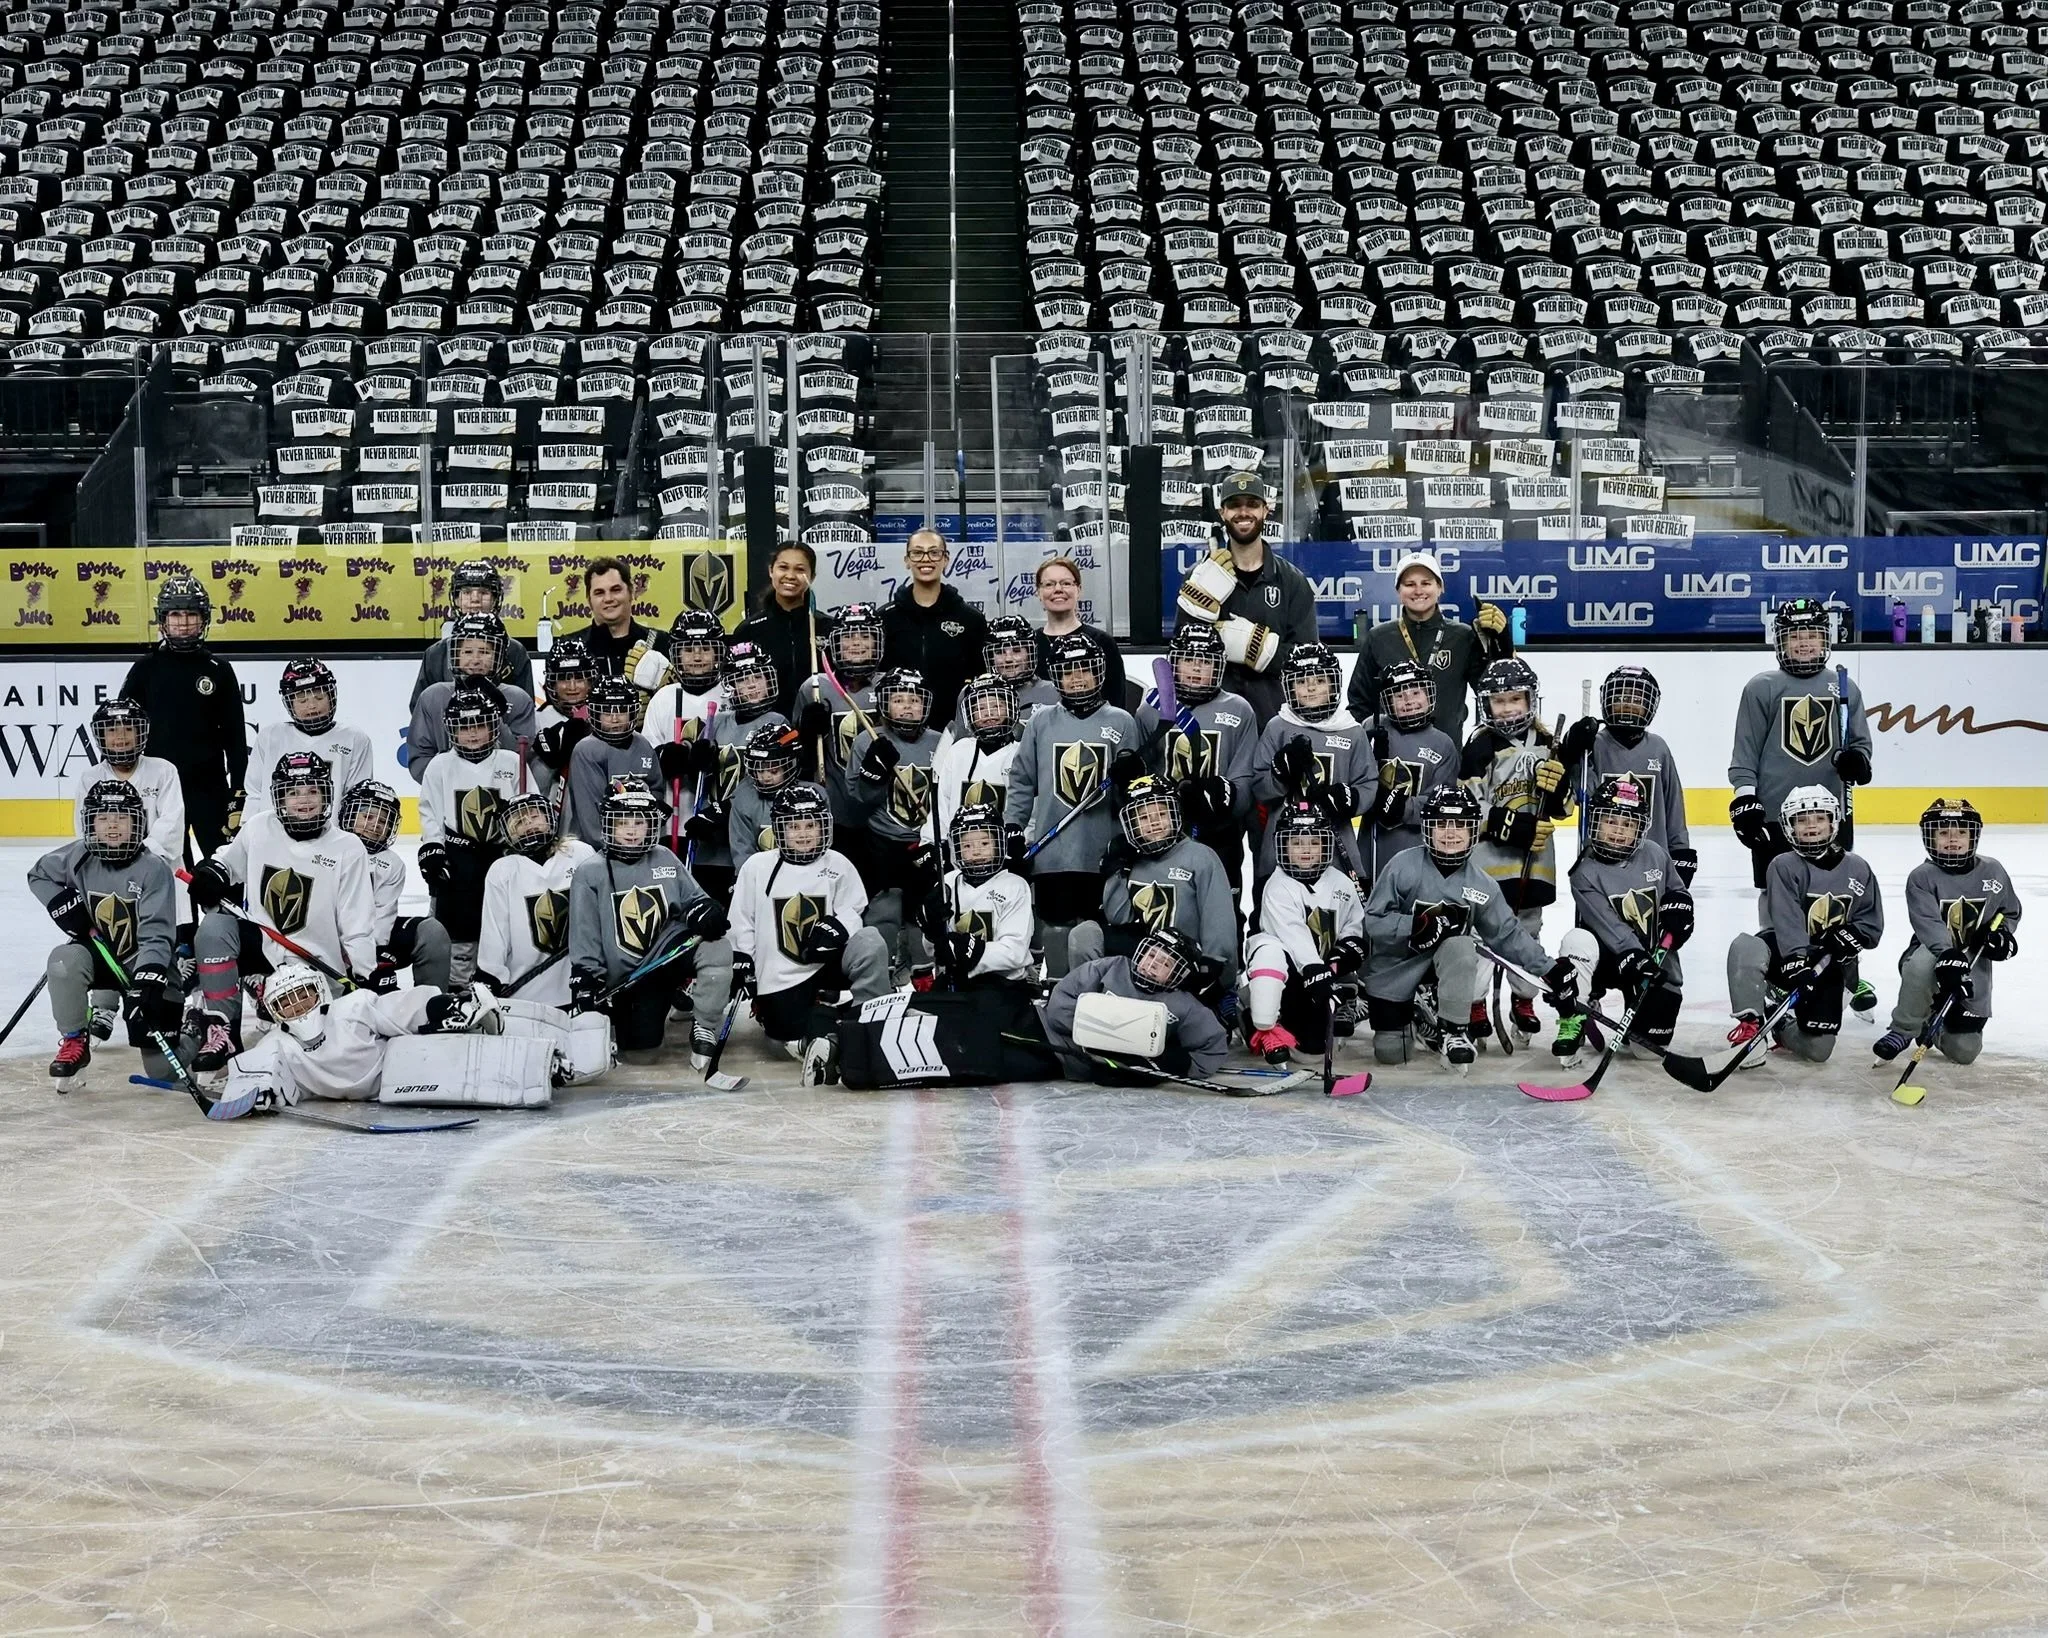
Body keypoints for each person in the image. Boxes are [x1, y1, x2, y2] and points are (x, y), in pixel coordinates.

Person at [184, 750, 377, 1074]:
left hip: (318, 969)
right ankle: (223, 1030)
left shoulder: (347, 847)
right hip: (264, 948)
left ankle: (272, 1003)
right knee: (215, 928)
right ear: (279, 798)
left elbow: (357, 924)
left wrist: (363, 976)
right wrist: (212, 873)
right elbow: (227, 862)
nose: (304, 800)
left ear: (327, 794)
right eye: (294, 792)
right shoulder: (260, 827)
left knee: (323, 1055)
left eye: (313, 790)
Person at [1362, 786, 1577, 1071]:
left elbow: (1507, 934)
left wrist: (1548, 968)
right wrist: (1414, 926)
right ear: (1427, 827)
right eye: (1441, 824)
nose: (1450, 833)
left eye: (1460, 824)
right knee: (1392, 1053)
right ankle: (1417, 1011)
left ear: (1474, 829)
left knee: (1461, 944)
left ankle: (1453, 1030)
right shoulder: (1402, 867)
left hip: (1447, 972)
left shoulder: (1481, 884)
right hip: (1397, 969)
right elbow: (1374, 922)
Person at [1729, 598, 1875, 1010]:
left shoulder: (1843, 687)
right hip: (1776, 816)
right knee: (1775, 894)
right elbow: (1746, 753)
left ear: (1826, 638)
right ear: (1781, 641)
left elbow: (1861, 748)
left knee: (1837, 894)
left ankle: (1849, 976)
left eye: (1813, 634)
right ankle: (1780, 966)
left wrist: (1856, 762)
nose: (1805, 643)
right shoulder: (1763, 687)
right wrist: (1745, 799)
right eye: (1796, 635)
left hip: (1830, 816)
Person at [728, 784, 893, 1082]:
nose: (803, 833)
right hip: (780, 978)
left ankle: (872, 1024)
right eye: (793, 826)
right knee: (780, 1041)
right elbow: (741, 922)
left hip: (828, 964)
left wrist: (840, 927)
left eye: (811, 825)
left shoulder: (839, 864)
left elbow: (855, 910)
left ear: (823, 826)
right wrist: (744, 962)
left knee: (871, 942)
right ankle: (826, 1036)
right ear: (779, 829)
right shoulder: (757, 867)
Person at [207, 962, 521, 1116]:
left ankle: (459, 1008)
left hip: (399, 1075)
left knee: (421, 1029)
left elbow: (398, 1008)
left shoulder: (350, 1008)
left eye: (303, 995)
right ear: (274, 1012)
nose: (298, 1006)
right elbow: (238, 1075)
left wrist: (437, 1008)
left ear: (320, 991)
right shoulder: (276, 1043)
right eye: (286, 1002)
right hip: (390, 1094)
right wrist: (251, 1097)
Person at [567, 779, 734, 1067]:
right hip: (631, 977)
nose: (632, 830)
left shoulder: (664, 857)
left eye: (640, 822)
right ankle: (672, 997)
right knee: (641, 1055)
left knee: (717, 947)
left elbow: (695, 899)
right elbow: (586, 934)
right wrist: (587, 979)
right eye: (623, 823)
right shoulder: (590, 873)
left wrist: (707, 911)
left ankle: (705, 1023)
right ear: (608, 824)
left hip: (667, 953)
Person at [1008, 632, 1145, 979]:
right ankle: (1055, 993)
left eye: (1085, 669)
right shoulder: (1041, 722)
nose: (1077, 677)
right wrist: (1012, 825)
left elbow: (1136, 793)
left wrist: (1131, 777)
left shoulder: (1121, 722)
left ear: (1100, 672)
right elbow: (1023, 780)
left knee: (1096, 931)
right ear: (1056, 676)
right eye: (1069, 671)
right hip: (1052, 852)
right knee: (1054, 930)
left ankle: (1095, 997)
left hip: (1103, 852)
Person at [31, 780, 181, 1084]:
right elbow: (39, 874)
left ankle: (194, 1028)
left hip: (144, 967)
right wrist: (63, 905)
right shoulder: (80, 856)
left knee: (162, 1072)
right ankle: (74, 1039)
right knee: (64, 960)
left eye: (122, 818)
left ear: (138, 822)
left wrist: (149, 979)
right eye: (103, 818)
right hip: (99, 954)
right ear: (90, 823)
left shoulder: (154, 868)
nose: (112, 826)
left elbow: (156, 935)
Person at [1725, 785, 1883, 1066]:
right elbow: (1786, 918)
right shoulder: (1783, 865)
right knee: (1745, 946)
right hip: (1790, 956)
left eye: (1819, 818)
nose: (1811, 825)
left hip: (1833, 967)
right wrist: (1797, 958)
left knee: (1819, 1049)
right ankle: (1751, 1027)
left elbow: (1871, 924)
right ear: (1788, 826)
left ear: (1833, 822)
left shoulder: (1859, 868)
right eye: (1801, 819)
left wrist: (1850, 935)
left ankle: (1780, 1027)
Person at [1460, 657, 1574, 1047]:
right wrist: (1518, 827)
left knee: (1528, 932)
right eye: (1499, 701)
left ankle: (1523, 999)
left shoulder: (1547, 744)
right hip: (1488, 865)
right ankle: (1474, 1005)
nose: (1508, 708)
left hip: (1536, 865)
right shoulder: (1479, 746)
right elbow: (1471, 810)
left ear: (1531, 701)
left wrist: (1558, 787)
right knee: (1480, 933)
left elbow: (1564, 808)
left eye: (1515, 699)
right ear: (1485, 704)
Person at [1551, 774, 1692, 1065]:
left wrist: (1681, 911)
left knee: (1647, 1051)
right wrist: (1633, 956)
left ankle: (1637, 1015)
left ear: (1640, 827)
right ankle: (1579, 1009)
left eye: (1628, 824)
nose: (1618, 831)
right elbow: (1607, 924)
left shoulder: (1655, 854)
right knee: (1578, 941)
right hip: (1610, 957)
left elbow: (1677, 892)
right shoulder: (1584, 872)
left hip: (1653, 961)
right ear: (1596, 822)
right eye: (1611, 821)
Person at [1874, 798, 2022, 1066]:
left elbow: (2009, 912)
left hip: (1974, 962)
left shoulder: (1994, 871)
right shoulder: (1921, 877)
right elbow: (1928, 923)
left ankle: (1931, 1030)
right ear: (1929, 836)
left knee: (1965, 1052)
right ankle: (1903, 1030)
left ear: (1973, 836)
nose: (1953, 839)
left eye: (1961, 832)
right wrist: (1948, 956)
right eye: (1943, 832)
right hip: (1932, 955)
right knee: (1920, 966)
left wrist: (2000, 934)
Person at [118, 574, 246, 859]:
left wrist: (238, 792)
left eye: (191, 614)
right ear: (163, 620)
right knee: (170, 873)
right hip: (159, 790)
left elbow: (236, 739)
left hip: (209, 788)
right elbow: (122, 733)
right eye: (175, 614)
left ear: (204, 619)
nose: (184, 622)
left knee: (225, 869)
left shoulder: (219, 670)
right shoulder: (144, 670)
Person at [1171, 473, 1319, 721]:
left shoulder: (1293, 582)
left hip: (1273, 721)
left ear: (1265, 510)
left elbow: (1308, 660)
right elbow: (1179, 653)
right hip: (1212, 720)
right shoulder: (1197, 577)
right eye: (1234, 505)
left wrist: (1257, 649)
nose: (1243, 512)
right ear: (1222, 513)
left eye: (1251, 504)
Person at [1069, 774, 1237, 992]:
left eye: (1162, 813)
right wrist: (1115, 872)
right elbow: (1119, 918)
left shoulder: (1200, 856)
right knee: (1085, 934)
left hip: (1184, 960)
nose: (1155, 822)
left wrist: (1214, 966)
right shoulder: (1132, 860)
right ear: (1132, 824)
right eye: (1144, 818)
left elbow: (1218, 918)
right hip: (1144, 957)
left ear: (1175, 813)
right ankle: (1086, 1001)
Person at [659, 640, 785, 906]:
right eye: (742, 678)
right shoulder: (718, 724)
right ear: (730, 685)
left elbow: (778, 765)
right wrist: (694, 760)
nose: (751, 684)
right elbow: (704, 779)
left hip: (750, 836)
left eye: (758, 676)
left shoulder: (777, 723)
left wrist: (725, 810)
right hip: (710, 843)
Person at [1242, 801, 1368, 1065]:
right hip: (1286, 974)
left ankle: (1254, 1006)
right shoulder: (1276, 885)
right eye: (1297, 843)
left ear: (1326, 844)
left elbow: (1352, 928)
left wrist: (1345, 954)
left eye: (1313, 842)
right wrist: (1315, 970)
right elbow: (1293, 935)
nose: (1306, 850)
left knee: (1311, 1053)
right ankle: (1261, 1021)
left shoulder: (1342, 883)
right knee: (1270, 951)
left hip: (1316, 976)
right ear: (1283, 846)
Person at [1140, 621, 1257, 895]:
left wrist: (1224, 795)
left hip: (1222, 834)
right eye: (1188, 659)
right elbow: (1141, 775)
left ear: (1218, 666)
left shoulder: (1239, 710)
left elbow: (1245, 782)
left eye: (1204, 661)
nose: (1195, 668)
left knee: (1224, 910)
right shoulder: (1150, 710)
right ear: (1174, 664)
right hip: (1163, 834)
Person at [417, 688, 525, 983]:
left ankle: (502, 986)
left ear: (493, 726)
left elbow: (528, 809)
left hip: (502, 857)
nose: (473, 734)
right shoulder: (439, 766)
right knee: (458, 933)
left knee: (504, 927)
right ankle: (457, 991)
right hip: (457, 862)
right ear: (451, 730)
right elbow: (430, 812)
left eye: (479, 725)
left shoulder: (511, 762)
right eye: (464, 727)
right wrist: (433, 848)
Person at [1344, 550, 1508, 743]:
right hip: (1391, 760)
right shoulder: (1378, 637)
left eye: (1426, 583)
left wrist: (1502, 642)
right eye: (1410, 584)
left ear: (1440, 588)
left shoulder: (1462, 636)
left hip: (1447, 756)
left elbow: (1492, 690)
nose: (1418, 591)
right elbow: (1359, 703)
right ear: (1399, 591)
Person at [845, 666, 945, 982]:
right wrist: (874, 774)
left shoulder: (942, 742)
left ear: (926, 704)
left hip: (924, 842)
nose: (906, 706)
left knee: (923, 912)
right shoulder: (868, 740)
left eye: (914, 700)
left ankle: (923, 974)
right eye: (898, 699)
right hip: (881, 842)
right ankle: (882, 973)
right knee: (884, 910)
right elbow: (857, 799)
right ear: (885, 704)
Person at [1251, 643, 1376, 888]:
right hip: (1282, 848)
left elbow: (1367, 783)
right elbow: (1258, 786)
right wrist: (1278, 774)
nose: (1310, 687)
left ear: (1333, 684)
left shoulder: (1352, 730)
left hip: (1337, 850)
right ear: (1289, 687)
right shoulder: (1277, 727)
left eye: (1319, 680)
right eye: (1301, 681)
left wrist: (1350, 798)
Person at [1556, 664, 1695, 886]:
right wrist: (1570, 754)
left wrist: (1681, 850)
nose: (1629, 704)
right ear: (1607, 700)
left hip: (1651, 863)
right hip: (1601, 863)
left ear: (1650, 704)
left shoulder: (1658, 748)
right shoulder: (1593, 744)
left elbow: (1673, 807)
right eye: (1621, 696)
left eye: (1637, 698)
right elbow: (1580, 796)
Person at [1043, 925, 1230, 1084]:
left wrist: (1172, 1063)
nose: (1153, 965)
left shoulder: (1184, 1005)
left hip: (1127, 1073)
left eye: (1166, 964)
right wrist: (1097, 1034)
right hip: (1076, 1057)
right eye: (1152, 955)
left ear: (1177, 975)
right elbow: (1059, 1005)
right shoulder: (1110, 968)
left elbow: (1213, 1048)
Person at [477, 790, 594, 1008]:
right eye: (520, 821)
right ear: (509, 831)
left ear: (549, 819)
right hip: (524, 991)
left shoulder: (579, 854)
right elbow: (495, 930)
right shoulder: (503, 871)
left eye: (534, 817)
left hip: (578, 983)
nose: (529, 824)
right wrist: (491, 975)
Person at [338, 780, 453, 995]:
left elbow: (384, 912)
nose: (375, 825)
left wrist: (375, 956)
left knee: (431, 932)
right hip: (331, 937)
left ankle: (431, 1002)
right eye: (368, 817)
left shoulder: (392, 863)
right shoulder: (331, 850)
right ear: (349, 815)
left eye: (383, 821)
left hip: (372, 937)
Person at [65, 698, 185, 887]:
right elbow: (85, 830)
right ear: (101, 735)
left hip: (160, 873)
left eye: (128, 729)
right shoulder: (90, 778)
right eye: (112, 730)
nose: (121, 736)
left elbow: (172, 825)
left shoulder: (163, 770)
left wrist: (140, 856)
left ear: (140, 733)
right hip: (109, 873)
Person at [407, 615, 538, 785]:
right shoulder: (433, 697)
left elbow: (523, 759)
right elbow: (419, 758)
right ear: (455, 654)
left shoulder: (518, 698)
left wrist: (495, 713)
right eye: (467, 651)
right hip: (445, 793)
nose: (475, 660)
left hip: (503, 794)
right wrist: (452, 780)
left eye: (484, 652)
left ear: (498, 655)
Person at [880, 529, 990, 729]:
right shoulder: (886, 618)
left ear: (946, 559)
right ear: (907, 560)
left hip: (954, 730)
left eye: (934, 552)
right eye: (917, 552)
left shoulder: (971, 619)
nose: (925, 559)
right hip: (897, 728)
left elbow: (980, 678)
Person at [794, 600, 885, 840]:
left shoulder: (890, 686)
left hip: (882, 813)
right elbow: (792, 747)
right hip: (833, 810)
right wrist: (804, 731)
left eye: (865, 635)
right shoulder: (815, 688)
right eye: (848, 636)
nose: (856, 642)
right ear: (835, 644)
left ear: (878, 641)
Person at [1362, 658, 1460, 876]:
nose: (1408, 700)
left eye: (1416, 693)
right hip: (1372, 850)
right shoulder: (1371, 726)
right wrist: (1369, 756)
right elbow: (1356, 781)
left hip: (1418, 851)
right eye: (1399, 695)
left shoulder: (1443, 744)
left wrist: (1404, 807)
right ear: (1387, 701)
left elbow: (1442, 804)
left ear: (1429, 695)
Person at [245, 659, 375, 822]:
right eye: (302, 700)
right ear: (289, 703)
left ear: (331, 696)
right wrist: (249, 834)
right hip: (274, 840)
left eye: (319, 697)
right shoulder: (270, 737)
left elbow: (357, 799)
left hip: (331, 840)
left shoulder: (355, 739)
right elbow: (254, 793)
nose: (312, 706)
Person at [925, 802, 1035, 986]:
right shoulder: (947, 882)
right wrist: (931, 931)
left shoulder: (1014, 886)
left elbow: (1015, 952)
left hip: (1003, 985)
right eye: (966, 845)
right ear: (956, 848)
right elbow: (933, 951)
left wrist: (972, 951)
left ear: (999, 843)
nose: (976, 851)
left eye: (984, 843)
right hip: (955, 982)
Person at [409, 560, 535, 706]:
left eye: (484, 593)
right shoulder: (436, 653)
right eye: (467, 592)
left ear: (495, 599)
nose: (475, 600)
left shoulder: (515, 651)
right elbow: (420, 708)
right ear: (456, 599)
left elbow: (525, 708)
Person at [735, 540, 835, 722]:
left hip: (819, 733)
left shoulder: (827, 627)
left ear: (812, 577)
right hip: (766, 732)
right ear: (771, 571)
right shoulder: (749, 630)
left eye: (799, 569)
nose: (790, 575)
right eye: (783, 567)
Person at [565, 676, 659, 850]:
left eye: (622, 710)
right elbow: (591, 815)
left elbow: (656, 794)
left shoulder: (643, 744)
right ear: (594, 713)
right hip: (599, 850)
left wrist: (649, 837)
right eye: (607, 712)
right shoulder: (586, 750)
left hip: (638, 844)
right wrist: (616, 849)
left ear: (633, 712)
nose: (615, 719)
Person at [934, 672, 1023, 837]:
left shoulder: (1023, 752)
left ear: (1011, 708)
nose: (989, 714)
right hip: (960, 850)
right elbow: (941, 805)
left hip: (1006, 851)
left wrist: (1022, 842)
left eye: (997, 706)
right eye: (980, 708)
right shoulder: (958, 751)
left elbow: (1031, 811)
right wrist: (932, 842)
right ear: (969, 714)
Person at [1030, 555, 1126, 699]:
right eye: (1049, 584)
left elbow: (1116, 702)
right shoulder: (1029, 645)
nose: (1058, 589)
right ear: (1038, 592)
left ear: (1078, 590)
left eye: (1066, 583)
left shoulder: (1102, 642)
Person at [729, 723, 815, 870]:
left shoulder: (813, 795)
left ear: (790, 766)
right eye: (760, 769)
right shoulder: (744, 798)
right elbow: (742, 851)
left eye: (774, 769)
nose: (765, 777)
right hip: (761, 877)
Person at [637, 608, 728, 740]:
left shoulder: (732, 695)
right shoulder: (662, 699)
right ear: (677, 655)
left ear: (718, 653)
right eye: (688, 650)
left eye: (706, 649)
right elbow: (651, 754)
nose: (697, 657)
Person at [567, 556, 662, 677]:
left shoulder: (660, 643)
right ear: (589, 600)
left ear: (631, 593)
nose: (608, 599)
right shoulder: (571, 649)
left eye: (616, 590)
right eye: (599, 593)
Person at [528, 640, 596, 799]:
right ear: (552, 683)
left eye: (580, 678)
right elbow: (531, 787)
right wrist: (547, 764)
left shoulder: (606, 719)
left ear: (591, 682)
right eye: (564, 679)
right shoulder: (535, 720)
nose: (572, 687)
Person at [971, 615, 1059, 732]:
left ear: (1030, 653)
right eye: (1000, 652)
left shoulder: (1055, 693)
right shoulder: (973, 695)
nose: (1008, 659)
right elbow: (962, 744)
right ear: (991, 657)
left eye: (1017, 650)